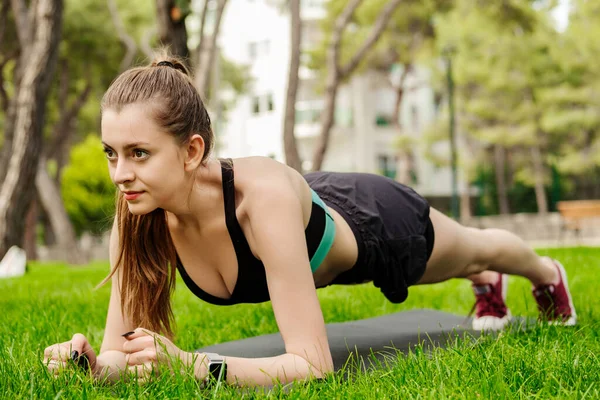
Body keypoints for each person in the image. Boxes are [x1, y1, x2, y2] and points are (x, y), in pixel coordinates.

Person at [42, 52, 576, 388]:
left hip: (369, 221)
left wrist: (194, 365)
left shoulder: (261, 198)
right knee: (471, 261)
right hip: (301, 210)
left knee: (477, 248)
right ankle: (486, 283)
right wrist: (89, 361)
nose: (120, 174)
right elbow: (122, 352)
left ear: (191, 150)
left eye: (139, 153)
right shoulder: (137, 219)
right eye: (112, 153)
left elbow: (312, 364)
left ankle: (546, 274)